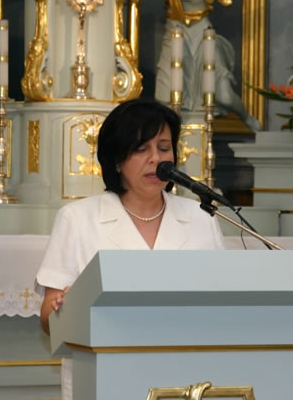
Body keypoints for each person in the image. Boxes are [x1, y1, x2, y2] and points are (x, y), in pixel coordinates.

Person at [35, 98, 225, 400]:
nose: (155, 159)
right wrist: (66, 308)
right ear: (117, 159)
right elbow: (48, 318)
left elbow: (223, 305)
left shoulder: (201, 218)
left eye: (164, 148)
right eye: (141, 149)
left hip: (189, 378)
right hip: (105, 379)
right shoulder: (77, 219)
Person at [138, 0, 261, 132]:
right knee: (166, 94)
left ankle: (245, 116)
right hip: (175, 34)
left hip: (202, 38)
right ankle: (174, 133)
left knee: (224, 96)